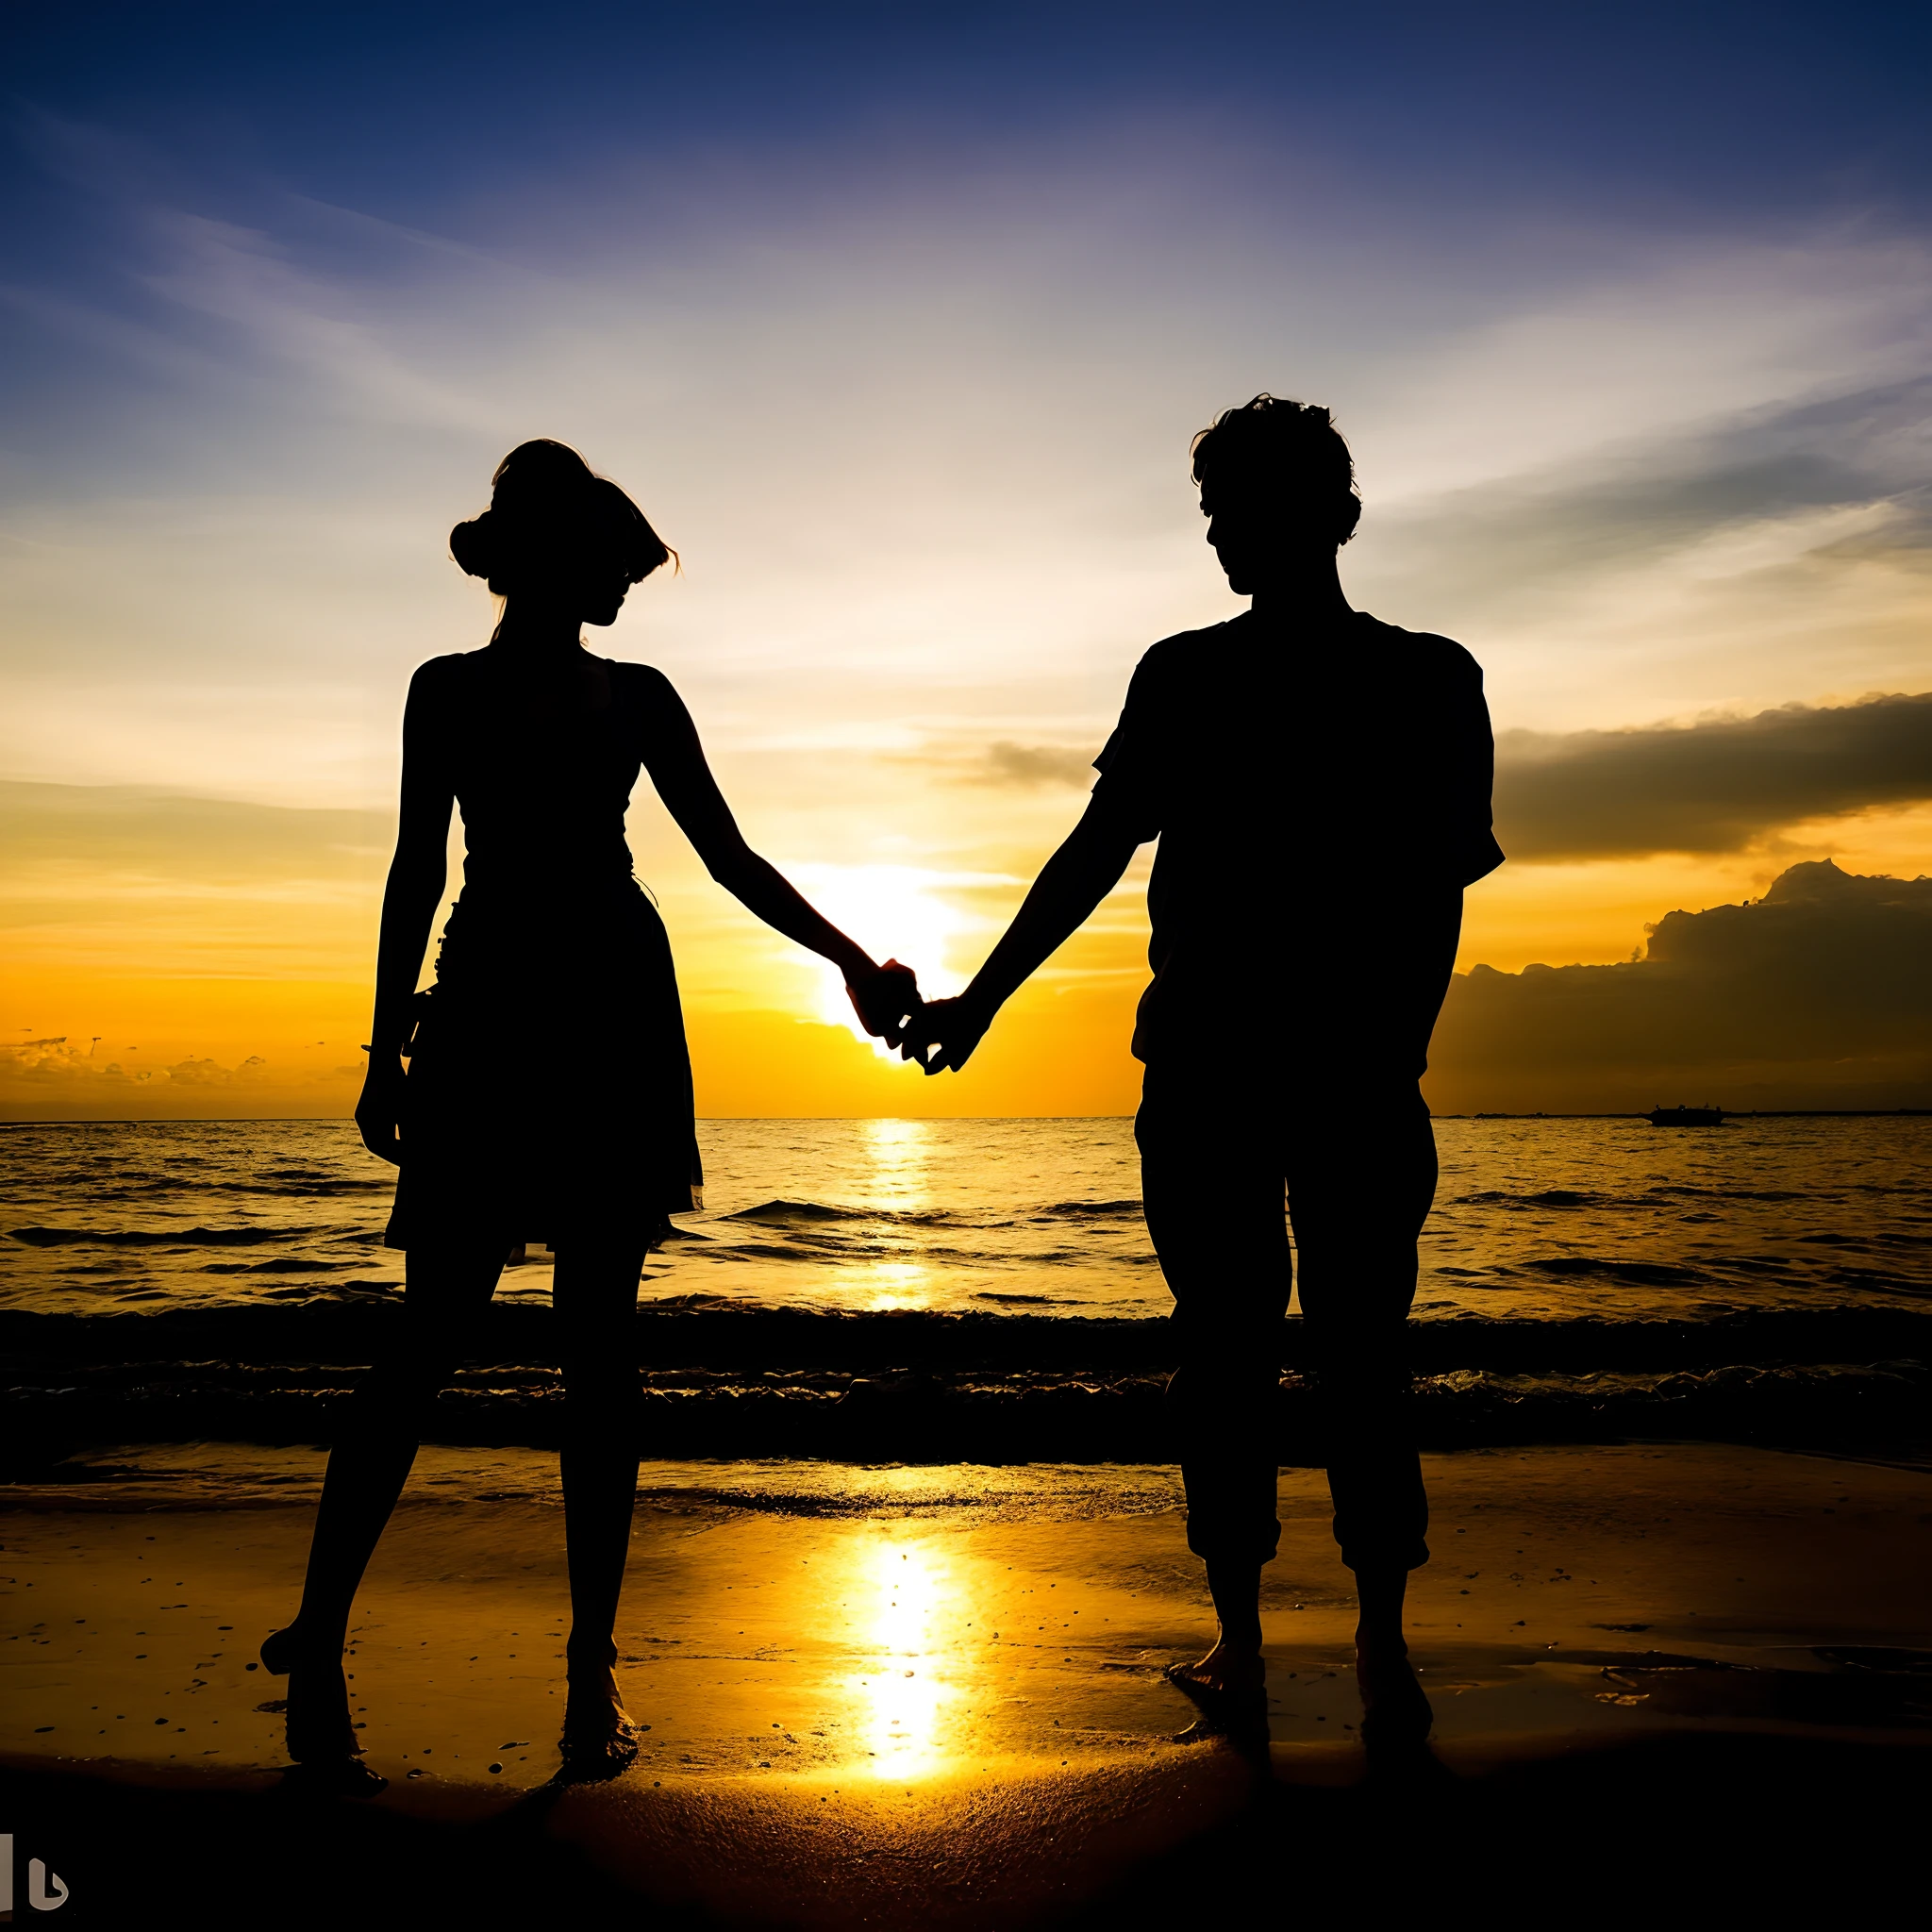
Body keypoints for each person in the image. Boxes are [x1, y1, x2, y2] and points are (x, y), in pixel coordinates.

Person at [263, 439, 920, 1785]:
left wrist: (853, 956)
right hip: (507, 1001)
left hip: (584, 1003)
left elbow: (728, 856)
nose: (627, 582)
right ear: (554, 560)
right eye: (614, 560)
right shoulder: (453, 690)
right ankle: (333, 1630)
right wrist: (386, 1046)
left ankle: (583, 1669)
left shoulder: (629, 696)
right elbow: (414, 862)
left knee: (571, 1350)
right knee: (448, 1336)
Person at [908, 396, 1503, 1737]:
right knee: (1262, 1352)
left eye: (1248, 511)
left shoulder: (1426, 676)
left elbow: (1435, 887)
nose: (1229, 536)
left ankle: (1361, 1645)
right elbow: (1100, 846)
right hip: (1226, 1064)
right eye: (1217, 513)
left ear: (1339, 519)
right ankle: (1275, 1644)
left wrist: (1394, 1045)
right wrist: (986, 998)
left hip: (1315, 1067)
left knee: (1327, 1350)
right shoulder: (1191, 672)